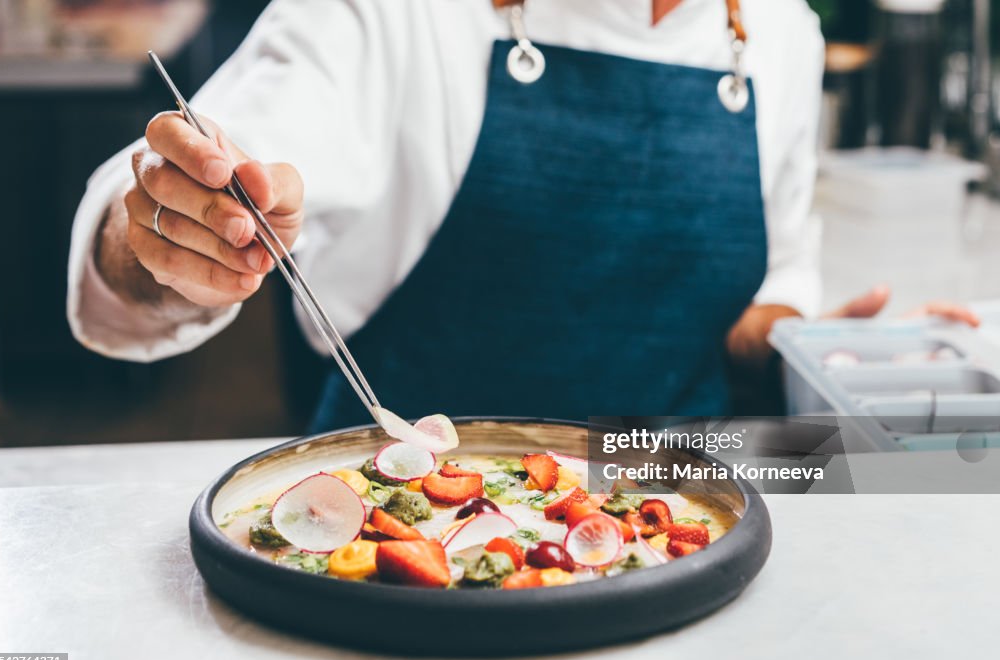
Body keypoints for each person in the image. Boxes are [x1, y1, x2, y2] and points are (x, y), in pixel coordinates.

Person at [67, 0, 978, 431]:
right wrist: (158, 228)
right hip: (400, 533)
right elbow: (181, 187)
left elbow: (753, 304)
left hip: (675, 522)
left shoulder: (780, 31)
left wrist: (820, 349)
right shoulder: (387, 14)